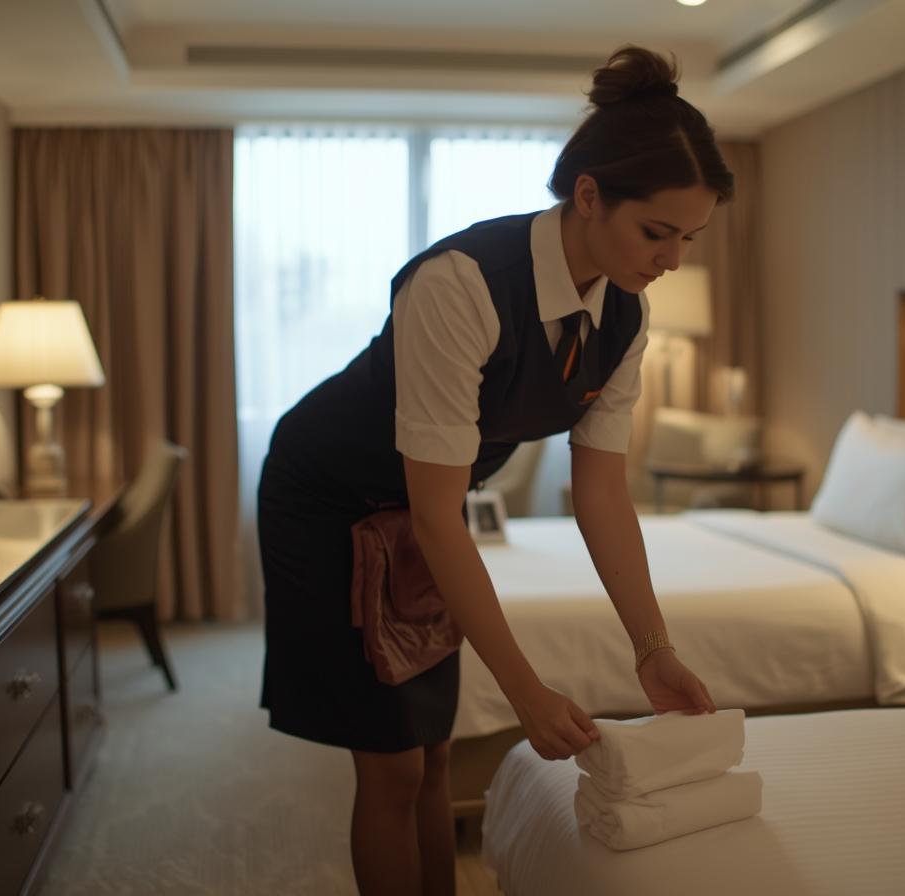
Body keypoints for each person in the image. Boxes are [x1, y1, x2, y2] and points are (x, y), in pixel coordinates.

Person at [258, 45, 733, 895]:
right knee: (394, 769)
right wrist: (524, 687)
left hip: (417, 510)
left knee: (438, 758)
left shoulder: (624, 315)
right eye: (656, 232)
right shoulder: (461, 285)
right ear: (588, 197)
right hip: (326, 500)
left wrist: (650, 649)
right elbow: (440, 516)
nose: (671, 258)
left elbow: (601, 493)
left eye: (689, 238)